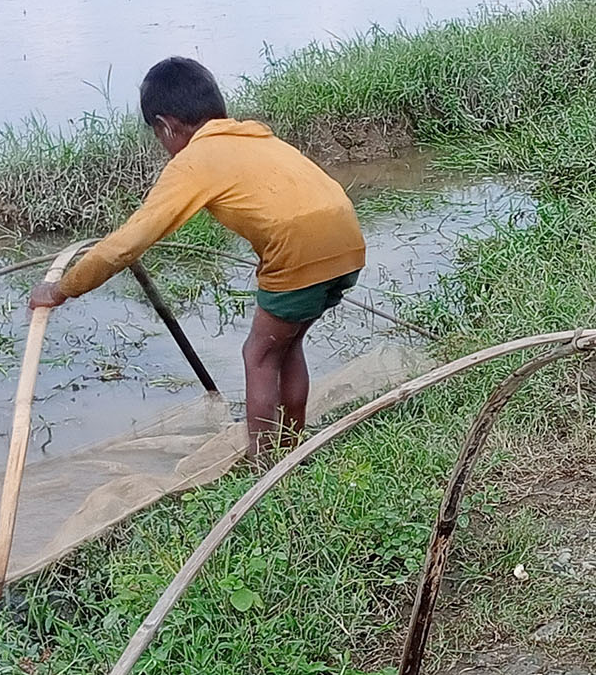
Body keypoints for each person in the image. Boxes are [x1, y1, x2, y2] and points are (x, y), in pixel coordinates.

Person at [29, 56, 367, 458]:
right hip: (347, 239)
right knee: (286, 346)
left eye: (159, 135)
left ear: (166, 125)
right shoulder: (254, 135)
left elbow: (125, 245)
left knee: (258, 355)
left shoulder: (194, 160)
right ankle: (292, 451)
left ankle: (265, 466)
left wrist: (62, 289)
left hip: (297, 250)